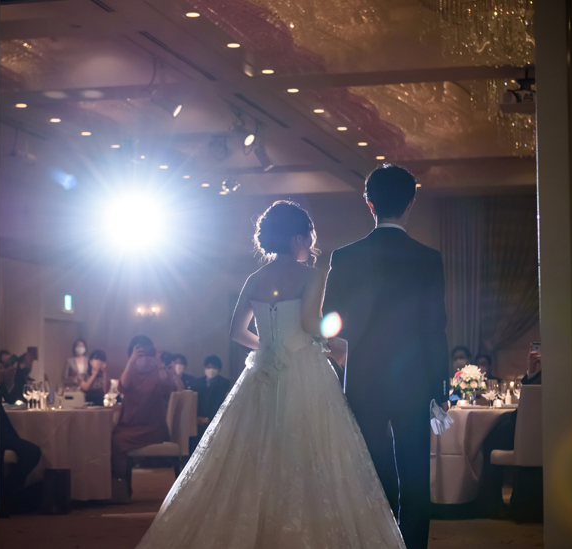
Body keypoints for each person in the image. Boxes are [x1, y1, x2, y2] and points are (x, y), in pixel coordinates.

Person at [134, 200, 404, 549]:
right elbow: (309, 323)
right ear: (297, 238)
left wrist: (268, 347)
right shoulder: (312, 274)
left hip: (261, 372)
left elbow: (236, 331)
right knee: (313, 454)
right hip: (305, 372)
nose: (311, 242)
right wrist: (342, 342)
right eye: (309, 235)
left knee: (250, 456)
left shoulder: (255, 278)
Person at [323, 165, 449, 549]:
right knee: (415, 476)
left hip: (364, 379)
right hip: (415, 381)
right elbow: (435, 327)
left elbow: (330, 320)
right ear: (411, 203)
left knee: (370, 474)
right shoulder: (428, 258)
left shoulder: (345, 256)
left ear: (369, 203)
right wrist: (440, 389)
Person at [477, 348, 542, 517]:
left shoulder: (550, 375)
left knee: (489, 438)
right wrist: (531, 371)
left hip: (533, 430)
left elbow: (527, 403)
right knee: (498, 427)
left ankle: (492, 503)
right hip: (537, 429)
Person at [111, 336, 183, 483]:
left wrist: (158, 361)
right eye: (139, 353)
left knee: (117, 440)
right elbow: (122, 387)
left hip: (152, 427)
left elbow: (166, 386)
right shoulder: (130, 372)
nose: (143, 357)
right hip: (131, 425)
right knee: (111, 436)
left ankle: (121, 482)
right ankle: (120, 483)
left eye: (147, 352)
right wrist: (131, 360)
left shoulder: (157, 372)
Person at [0, 354, 41, 517]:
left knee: (33, 452)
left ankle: (7, 493)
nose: (11, 366)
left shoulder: (5, 380)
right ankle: (1, 499)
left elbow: (12, 399)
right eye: (6, 363)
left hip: (4, 433)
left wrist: (7, 380)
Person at [192, 355, 232, 435]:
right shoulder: (198, 382)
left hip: (214, 420)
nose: (211, 370)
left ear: (219, 369)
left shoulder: (224, 383)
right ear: (204, 368)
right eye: (209, 367)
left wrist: (209, 418)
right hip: (197, 421)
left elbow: (220, 402)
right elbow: (193, 401)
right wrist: (196, 418)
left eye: (214, 367)